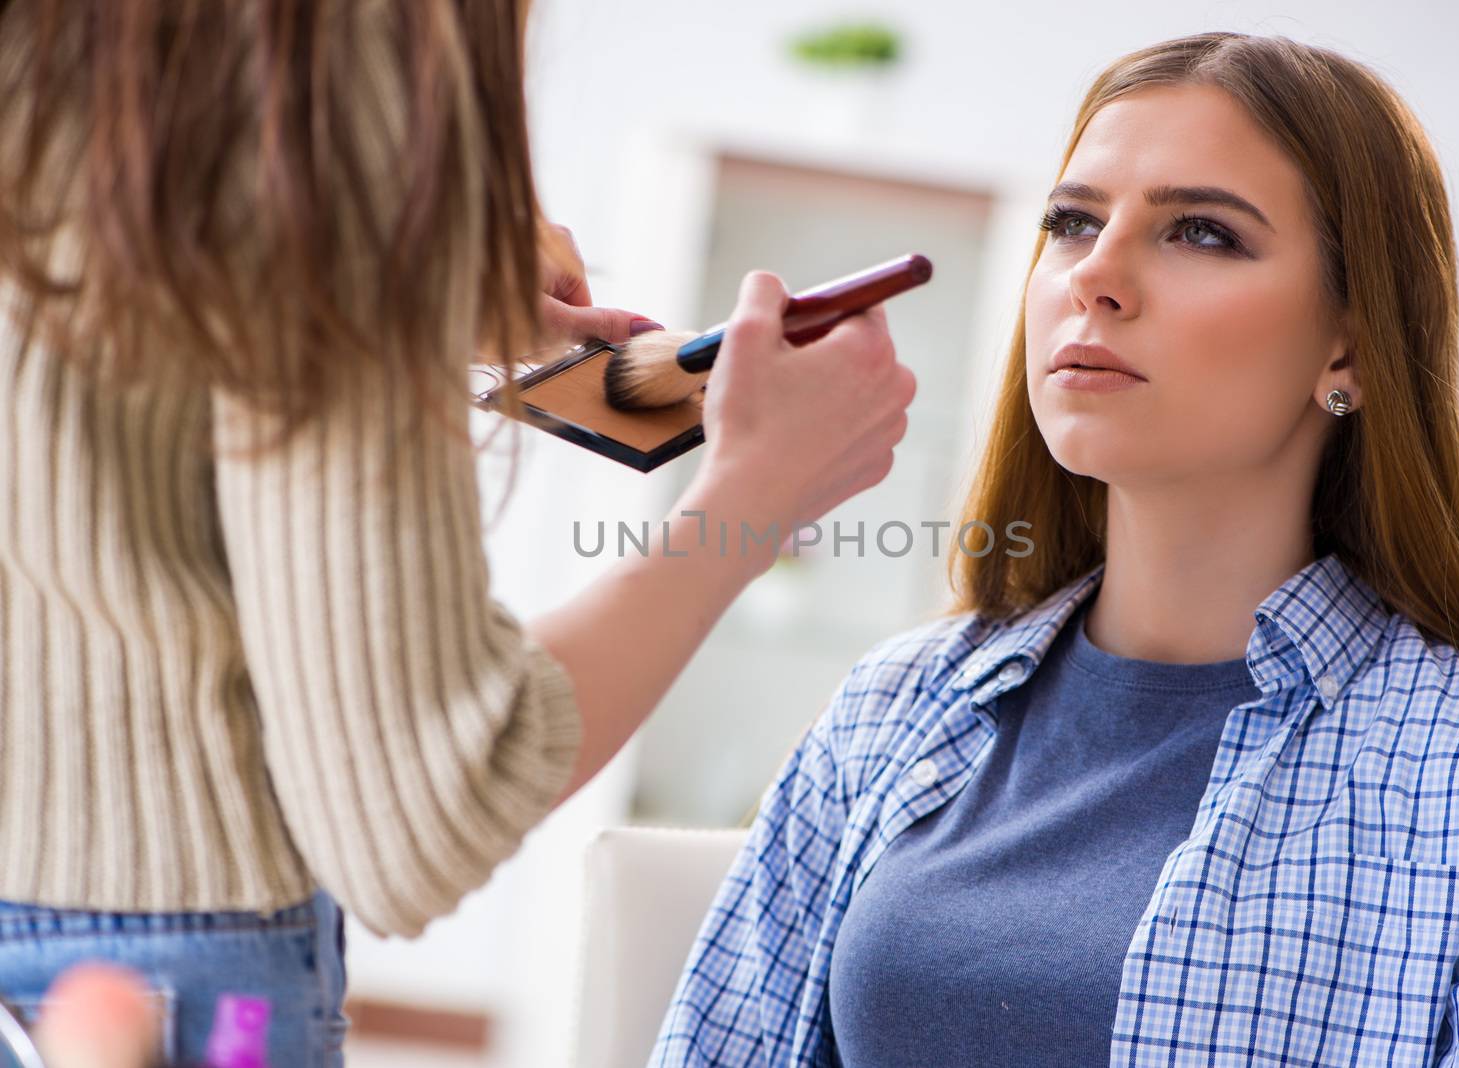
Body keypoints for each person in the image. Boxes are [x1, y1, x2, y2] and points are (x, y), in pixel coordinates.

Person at [651, 31, 1459, 1067]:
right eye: (1071, 223)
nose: (1092, 276)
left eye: (1199, 232)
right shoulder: (892, 709)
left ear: (1351, 346)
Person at [0, 0, 915, 1063]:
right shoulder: (322, 72)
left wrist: (394, 301)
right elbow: (418, 807)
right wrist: (755, 500)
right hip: (155, 976)